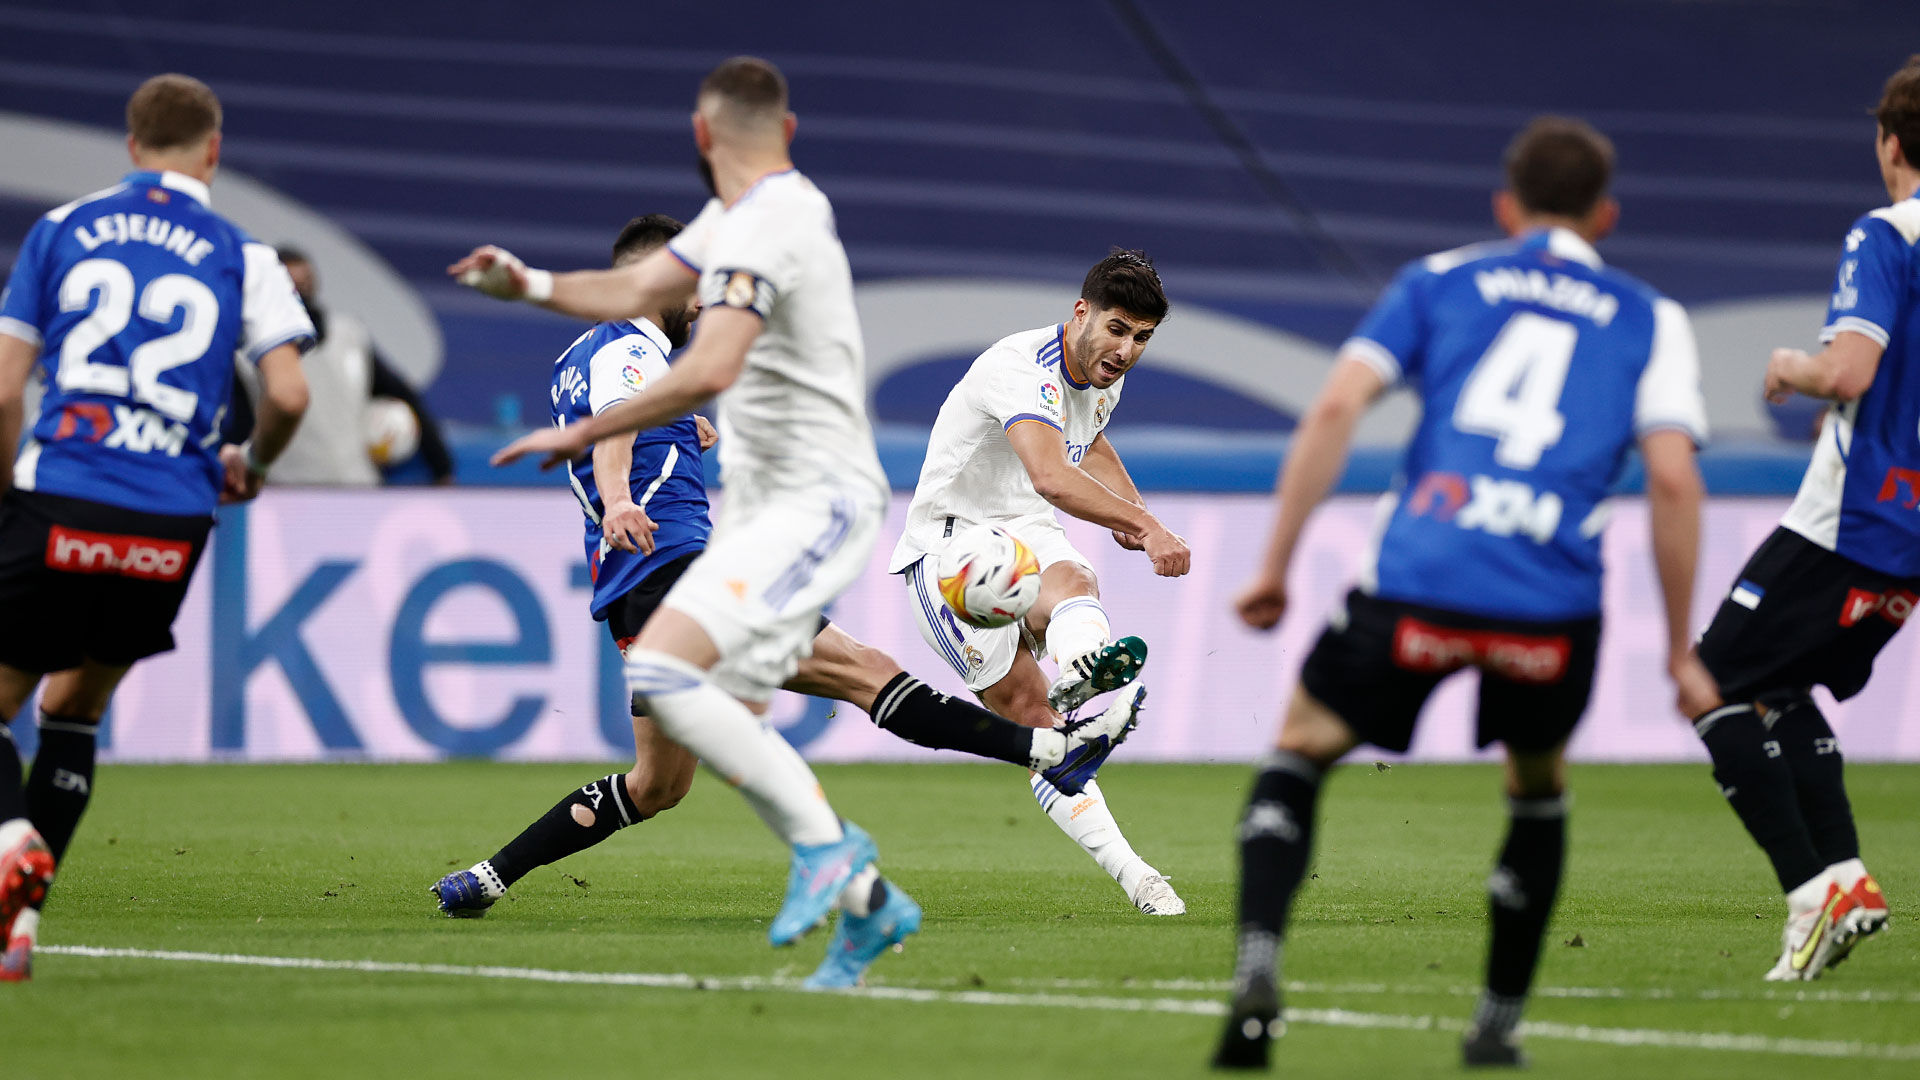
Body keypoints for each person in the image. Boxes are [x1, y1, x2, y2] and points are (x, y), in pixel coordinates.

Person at [432, 215, 1140, 919]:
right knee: (866, 673)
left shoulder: (578, 357)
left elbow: (618, 424)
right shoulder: (630, 345)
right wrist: (620, 497)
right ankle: (1050, 750)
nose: (706, 302)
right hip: (682, 575)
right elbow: (616, 427)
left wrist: (682, 430)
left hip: (633, 602)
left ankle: (485, 878)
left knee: (657, 787)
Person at [1211, 116, 1712, 1069]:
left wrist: (1276, 564)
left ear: (1505, 205)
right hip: (1550, 606)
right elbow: (1676, 481)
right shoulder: (1652, 315)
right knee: (1535, 788)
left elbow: (1334, 407)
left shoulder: (1439, 280)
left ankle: (1257, 965)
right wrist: (1680, 648)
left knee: (1303, 747)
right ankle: (1495, 1025)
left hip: (1422, 579)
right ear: (1605, 215)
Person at [457, 56, 931, 989]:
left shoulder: (773, 222)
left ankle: (836, 859)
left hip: (818, 499)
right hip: (768, 507)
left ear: (700, 134)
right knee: (683, 687)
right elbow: (631, 292)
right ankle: (867, 901)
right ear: (785, 133)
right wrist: (530, 284)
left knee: (679, 679)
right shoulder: (738, 224)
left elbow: (709, 365)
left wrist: (589, 432)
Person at [0, 74, 312, 981]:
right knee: (75, 708)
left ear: (132, 146)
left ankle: (12, 839)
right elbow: (289, 393)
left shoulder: (63, 230)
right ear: (213, 152)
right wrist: (248, 464)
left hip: (62, 495)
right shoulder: (242, 252)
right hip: (172, 519)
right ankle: (19, 928)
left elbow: (7, 388)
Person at [1684, 55, 1920, 983]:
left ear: (1890, 143)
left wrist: (1794, 365)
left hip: (1853, 519)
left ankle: (1810, 890)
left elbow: (1851, 370)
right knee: (1779, 686)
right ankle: (1849, 881)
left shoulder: (1888, 233)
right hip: (1908, 542)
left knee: (1710, 680)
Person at [886, 250, 1191, 916]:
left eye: (1142, 337)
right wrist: (1145, 528)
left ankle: (1086, 678)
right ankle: (1126, 851)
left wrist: (1133, 514)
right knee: (1038, 727)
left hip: (1024, 529)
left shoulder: (1105, 376)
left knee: (1076, 579)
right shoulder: (1018, 369)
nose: (1127, 348)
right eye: (1117, 329)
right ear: (1081, 312)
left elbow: (1093, 440)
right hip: (953, 552)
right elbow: (1054, 474)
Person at [259, 246, 454, 485]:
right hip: (284, 489)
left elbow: (403, 395)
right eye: (291, 285)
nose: (300, 294)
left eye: (306, 283)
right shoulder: (249, 347)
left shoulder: (349, 336)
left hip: (356, 487)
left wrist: (441, 467)